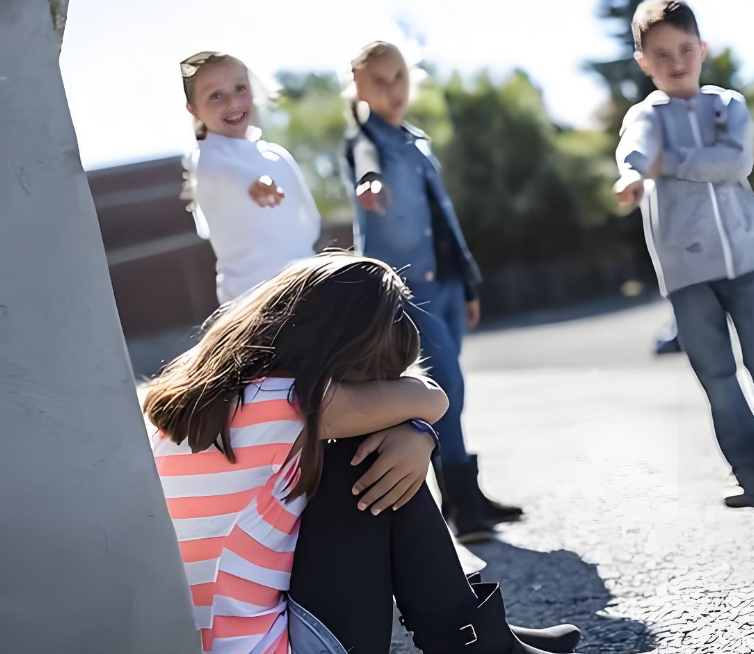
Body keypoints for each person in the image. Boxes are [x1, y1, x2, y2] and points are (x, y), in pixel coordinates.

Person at [145, 252, 581, 654]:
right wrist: (417, 432)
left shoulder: (207, 400)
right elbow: (432, 399)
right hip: (273, 647)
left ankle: (480, 632)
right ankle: (476, 640)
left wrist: (414, 432)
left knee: (369, 447)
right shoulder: (292, 403)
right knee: (367, 456)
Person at [613, 1, 754, 507]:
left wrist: (669, 163)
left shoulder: (728, 104)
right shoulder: (644, 116)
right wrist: (634, 173)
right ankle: (749, 471)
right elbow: (635, 152)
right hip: (685, 271)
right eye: (661, 54)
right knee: (717, 377)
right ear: (644, 63)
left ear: (702, 49)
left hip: (747, 260)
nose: (676, 62)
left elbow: (735, 162)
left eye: (685, 49)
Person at [343, 41, 522, 540]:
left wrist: (467, 284)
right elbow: (365, 166)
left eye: (398, 76)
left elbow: (445, 218)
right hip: (405, 292)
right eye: (379, 81)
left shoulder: (418, 140)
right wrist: (371, 184)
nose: (392, 89)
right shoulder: (364, 142)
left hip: (445, 281)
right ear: (358, 89)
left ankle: (467, 494)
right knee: (444, 388)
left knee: (452, 390)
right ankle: (461, 507)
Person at [179, 51, 321, 304]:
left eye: (240, 88)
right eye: (216, 95)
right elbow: (229, 175)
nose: (233, 103)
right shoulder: (206, 160)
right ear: (194, 110)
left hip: (306, 286)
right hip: (253, 303)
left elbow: (309, 220)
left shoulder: (277, 155)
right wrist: (257, 184)